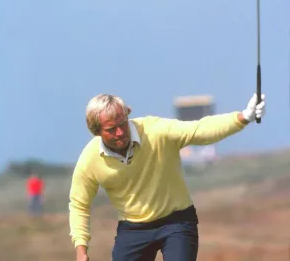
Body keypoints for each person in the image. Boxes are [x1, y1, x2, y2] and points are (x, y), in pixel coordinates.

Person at [69, 93, 266, 261]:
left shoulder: (155, 130)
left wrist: (244, 117)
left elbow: (199, 130)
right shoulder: (89, 160)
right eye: (111, 129)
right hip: (133, 229)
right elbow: (79, 205)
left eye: (123, 124)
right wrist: (81, 250)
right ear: (96, 131)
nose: (120, 132)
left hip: (176, 221)